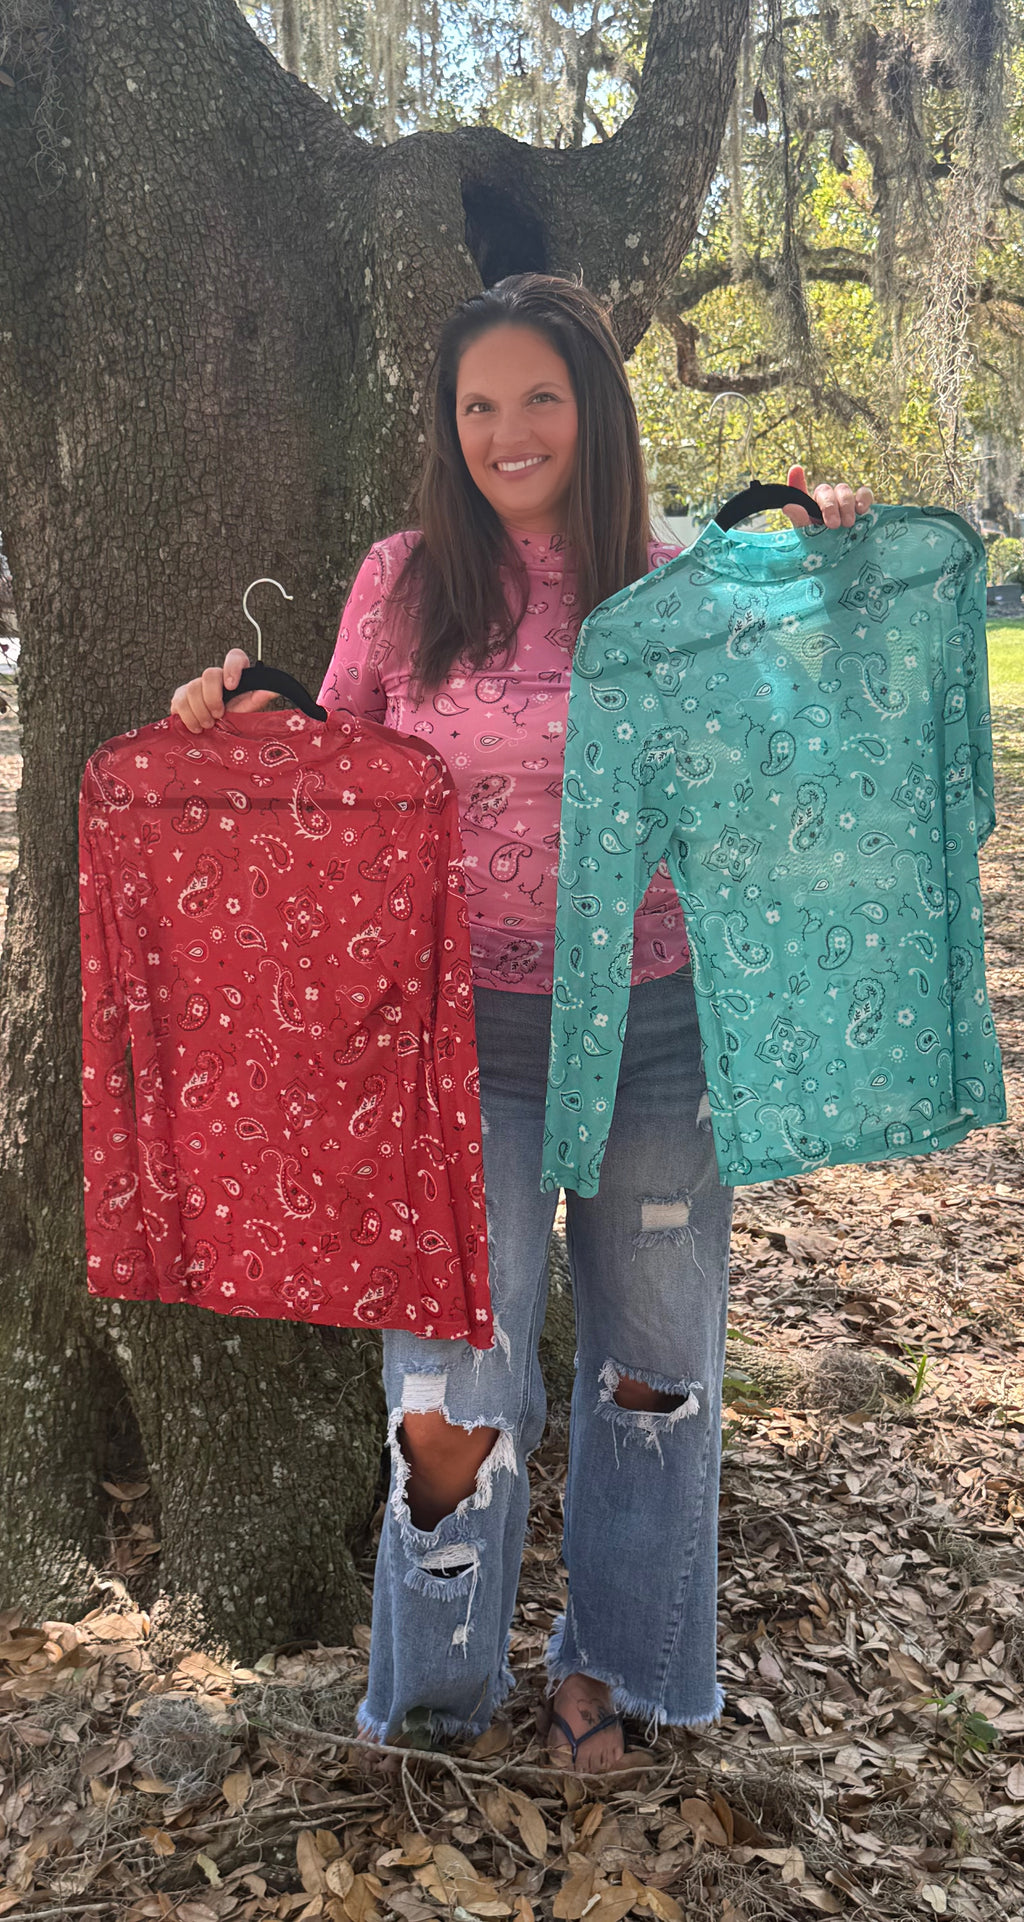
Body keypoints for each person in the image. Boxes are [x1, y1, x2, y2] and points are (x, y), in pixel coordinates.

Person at [171, 272, 874, 1772]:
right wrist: (245, 720)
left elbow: (785, 758)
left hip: (657, 1030)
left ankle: (615, 1672)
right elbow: (342, 773)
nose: (509, 431)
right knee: (447, 1388)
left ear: (595, 410)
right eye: (479, 404)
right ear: (448, 424)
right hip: (459, 1042)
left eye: (539, 397)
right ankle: (434, 1697)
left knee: (656, 1375)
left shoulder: (683, 580)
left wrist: (823, 591)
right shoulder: (403, 579)